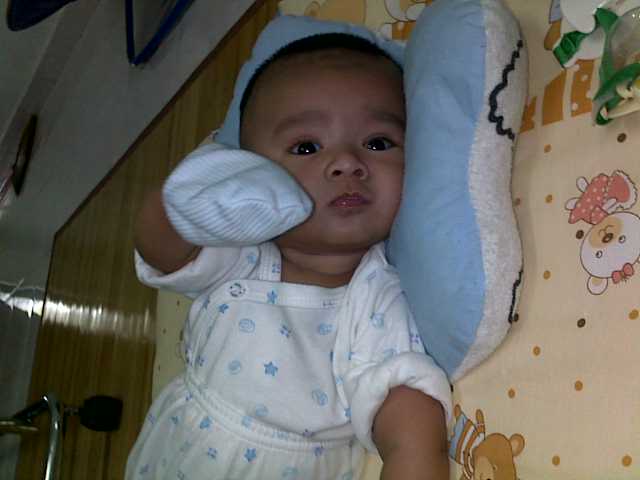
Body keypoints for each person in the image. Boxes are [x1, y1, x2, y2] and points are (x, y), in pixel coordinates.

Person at [127, 33, 452, 480]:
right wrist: (191, 202)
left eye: (378, 142)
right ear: (252, 169)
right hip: (178, 448)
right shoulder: (240, 253)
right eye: (306, 147)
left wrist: (415, 451)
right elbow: (160, 246)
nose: (346, 163)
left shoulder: (375, 293)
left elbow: (403, 404)